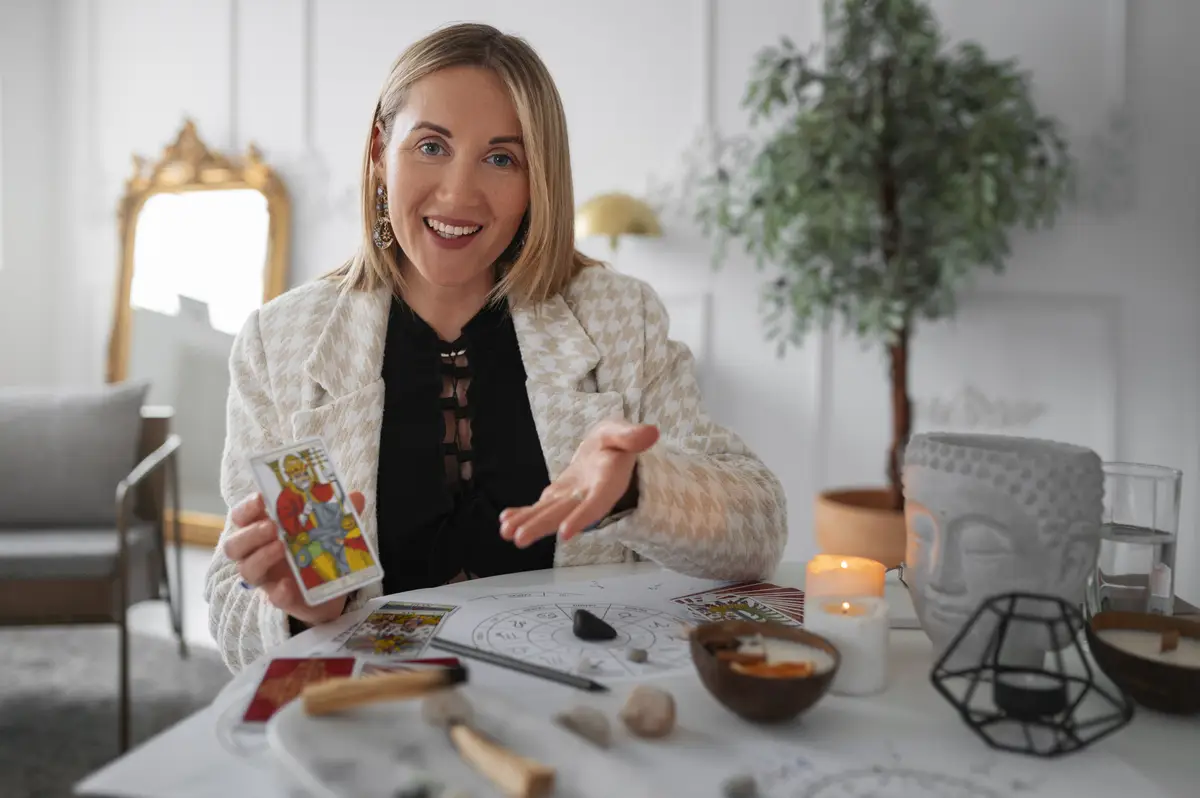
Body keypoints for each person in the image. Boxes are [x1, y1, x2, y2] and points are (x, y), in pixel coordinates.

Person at [205, 22, 788, 672]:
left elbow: (759, 534)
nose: (458, 192)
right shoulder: (279, 341)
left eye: (501, 158)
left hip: (577, 719)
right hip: (375, 717)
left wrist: (637, 489)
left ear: (538, 180)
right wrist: (294, 609)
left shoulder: (621, 316)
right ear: (379, 149)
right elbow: (231, 607)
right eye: (431, 145)